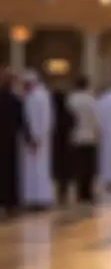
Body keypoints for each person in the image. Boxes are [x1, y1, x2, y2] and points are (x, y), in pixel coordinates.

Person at [20, 71, 55, 211]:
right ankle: (32, 198)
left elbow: (43, 120)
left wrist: (37, 137)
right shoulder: (32, 96)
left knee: (39, 169)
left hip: (38, 139)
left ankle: (40, 198)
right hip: (32, 138)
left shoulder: (39, 97)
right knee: (32, 169)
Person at [0, 68, 29, 217]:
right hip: (10, 140)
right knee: (10, 172)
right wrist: (29, 139)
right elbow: (22, 122)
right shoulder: (15, 100)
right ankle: (10, 204)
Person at [66, 76, 99, 203]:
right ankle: (88, 193)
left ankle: (79, 193)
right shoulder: (91, 100)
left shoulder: (71, 100)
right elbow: (96, 119)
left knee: (78, 167)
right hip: (89, 137)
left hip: (75, 137)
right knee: (89, 168)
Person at [50, 87, 75, 206]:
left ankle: (59, 194)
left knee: (58, 172)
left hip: (55, 146)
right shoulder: (68, 113)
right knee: (65, 173)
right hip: (67, 146)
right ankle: (63, 194)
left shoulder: (52, 114)